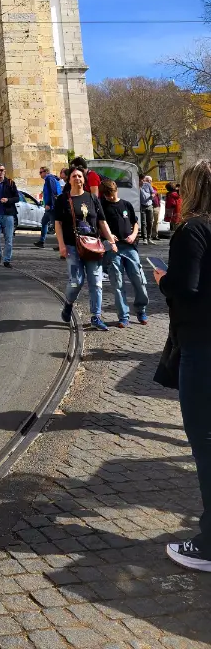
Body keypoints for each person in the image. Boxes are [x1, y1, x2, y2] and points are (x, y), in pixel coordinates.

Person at [155, 160, 211, 572]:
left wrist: (162, 280)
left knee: (206, 446)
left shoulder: (193, 230)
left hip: (203, 350)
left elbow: (186, 286)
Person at [55, 166, 115, 330]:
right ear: (69, 180)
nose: (77, 179)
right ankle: (68, 304)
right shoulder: (63, 199)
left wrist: (111, 240)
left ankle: (96, 317)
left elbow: (102, 221)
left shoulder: (93, 198)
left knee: (96, 282)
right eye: (74, 176)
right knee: (76, 281)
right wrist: (61, 245)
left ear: (84, 179)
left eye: (80, 176)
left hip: (92, 246)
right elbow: (58, 223)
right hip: (72, 247)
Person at [99, 178, 148, 327]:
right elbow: (99, 225)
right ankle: (123, 315)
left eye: (112, 195)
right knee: (117, 283)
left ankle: (141, 310)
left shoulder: (126, 204)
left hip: (129, 247)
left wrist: (133, 235)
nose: (111, 198)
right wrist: (108, 237)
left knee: (138, 279)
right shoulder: (102, 206)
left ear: (116, 191)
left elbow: (134, 223)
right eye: (108, 196)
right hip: (113, 249)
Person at [36, 165, 62, 248]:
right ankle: (41, 241)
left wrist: (49, 204)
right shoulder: (49, 179)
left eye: (41, 172)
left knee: (56, 226)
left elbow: (53, 192)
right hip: (49, 207)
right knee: (44, 222)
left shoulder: (49, 179)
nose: (40, 174)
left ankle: (61, 244)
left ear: (46, 172)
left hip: (52, 207)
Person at [139, 174, 156, 243]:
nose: (143, 181)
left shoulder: (148, 185)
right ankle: (145, 238)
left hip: (149, 205)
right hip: (142, 205)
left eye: (143, 180)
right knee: (143, 223)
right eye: (141, 180)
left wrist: (152, 195)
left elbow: (153, 192)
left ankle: (149, 238)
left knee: (150, 222)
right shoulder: (137, 186)